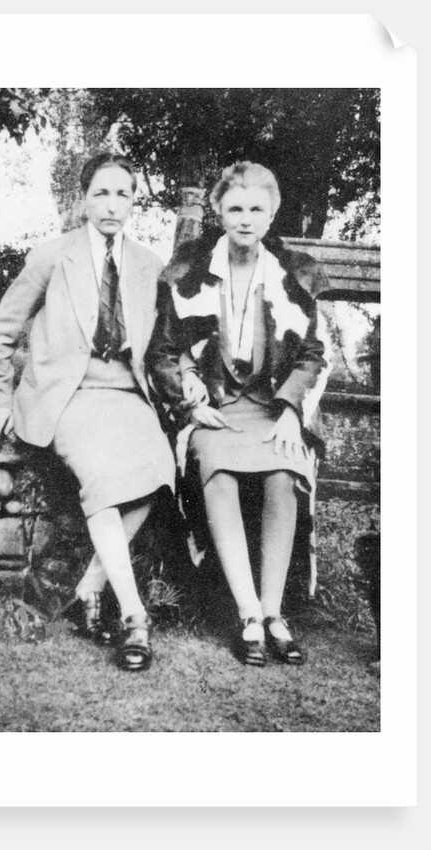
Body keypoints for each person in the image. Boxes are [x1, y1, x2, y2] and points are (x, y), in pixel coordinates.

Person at [0, 152, 192, 672]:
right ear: (83, 199)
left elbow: (172, 343)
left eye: (123, 194)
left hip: (127, 393)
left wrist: (188, 383)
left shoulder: (148, 265)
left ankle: (91, 584)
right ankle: (134, 618)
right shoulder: (54, 256)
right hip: (69, 394)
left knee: (160, 473)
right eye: (101, 192)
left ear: (134, 202)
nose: (112, 204)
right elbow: (4, 329)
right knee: (101, 477)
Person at [157, 161, 332, 666]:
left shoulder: (294, 275)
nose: (246, 218)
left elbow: (314, 355)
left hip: (272, 406)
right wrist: (190, 399)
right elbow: (163, 351)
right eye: (235, 208)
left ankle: (276, 613)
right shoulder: (188, 271)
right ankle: (249, 616)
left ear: (272, 213)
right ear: (219, 212)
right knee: (218, 472)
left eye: (257, 208)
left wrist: (291, 413)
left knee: (284, 472)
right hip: (215, 408)